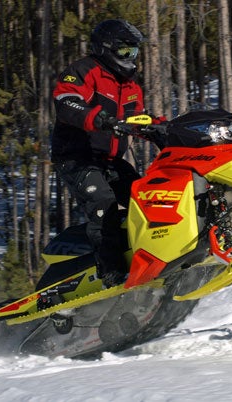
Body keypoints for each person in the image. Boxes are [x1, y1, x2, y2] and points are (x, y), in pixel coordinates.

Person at [51, 19, 147, 288]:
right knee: (104, 204)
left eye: (135, 52)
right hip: (76, 157)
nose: (131, 58)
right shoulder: (83, 71)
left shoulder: (130, 86)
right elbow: (66, 102)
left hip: (110, 160)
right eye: (126, 51)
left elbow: (138, 118)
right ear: (108, 48)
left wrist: (160, 128)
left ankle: (148, 258)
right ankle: (111, 275)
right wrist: (98, 118)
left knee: (146, 195)